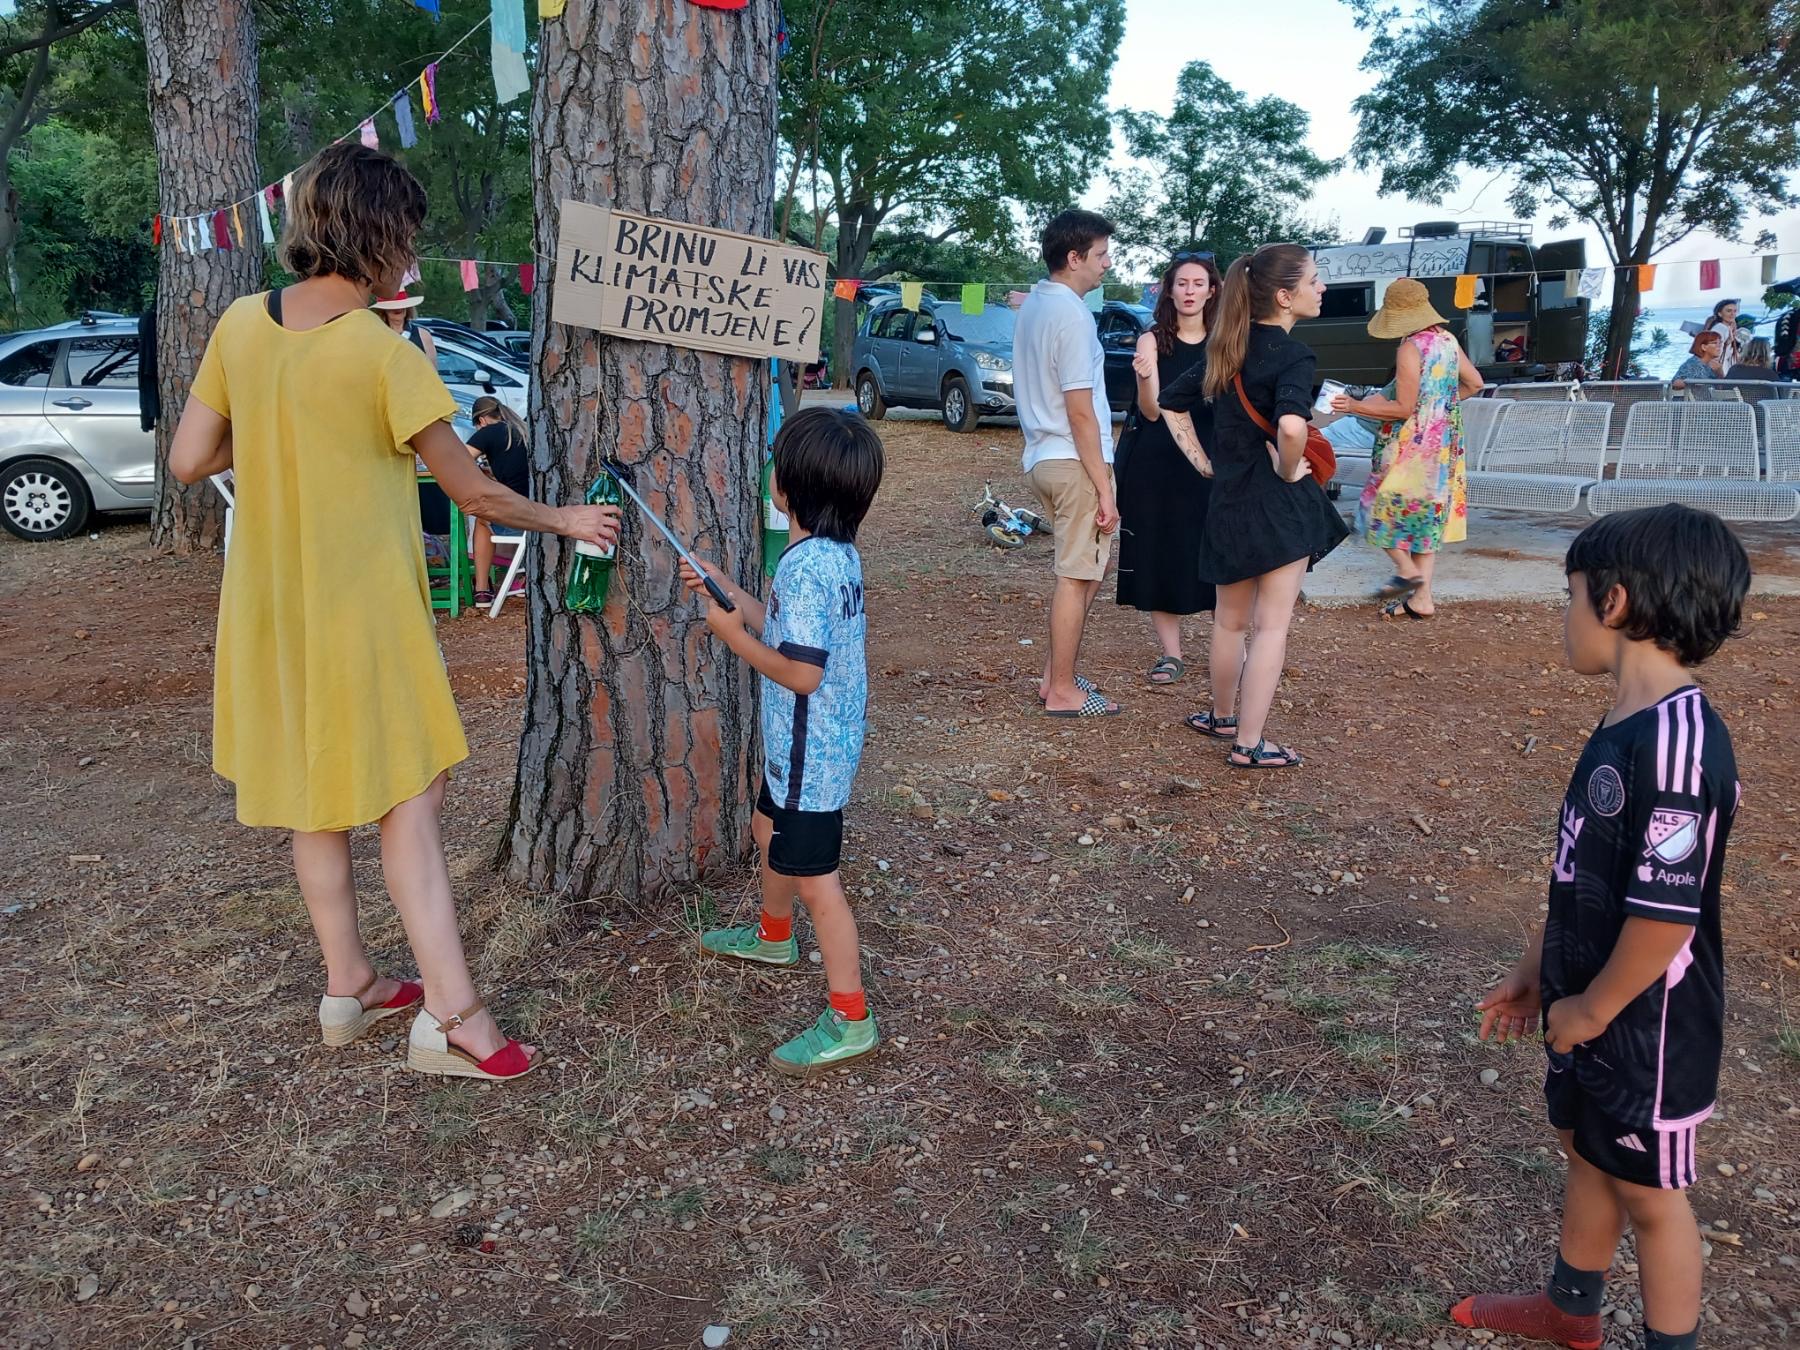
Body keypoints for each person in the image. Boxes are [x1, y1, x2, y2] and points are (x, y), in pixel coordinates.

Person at [167, 142, 621, 1082]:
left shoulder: (241, 326)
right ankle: (455, 1017)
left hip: (269, 614)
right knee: (411, 799)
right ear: (377, 238)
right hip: (363, 614)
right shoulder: (379, 353)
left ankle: (350, 987)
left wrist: (281, 425)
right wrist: (566, 516)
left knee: (313, 801)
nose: (410, 260)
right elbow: (478, 496)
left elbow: (187, 461)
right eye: (406, 240)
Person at [1454, 503, 1750, 1350]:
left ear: (1612, 602)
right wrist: (1535, 969)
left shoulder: (1683, 745)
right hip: (1586, 993)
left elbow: (1663, 918)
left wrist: (1591, 1010)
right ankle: (1568, 1310)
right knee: (1587, 1147)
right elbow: (1583, 871)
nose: (1566, 615)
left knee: (1652, 1199)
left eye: (1569, 594)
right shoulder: (1623, 722)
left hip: (1648, 1021)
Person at [678, 408, 886, 1077]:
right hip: (807, 749)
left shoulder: (804, 569)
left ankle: (850, 1017)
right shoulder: (831, 556)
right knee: (766, 828)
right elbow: (797, 635)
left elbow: (801, 670)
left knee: (816, 882)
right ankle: (773, 937)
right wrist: (732, 591)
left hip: (810, 759)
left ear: (788, 489)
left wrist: (730, 635)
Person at [1160, 242, 1347, 766]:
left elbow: (1169, 404)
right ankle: (1249, 744)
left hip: (1228, 502)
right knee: (1272, 627)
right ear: (1285, 297)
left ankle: (1221, 718)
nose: (1322, 288)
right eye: (1314, 280)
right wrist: (1290, 469)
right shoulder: (1292, 353)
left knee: (1228, 621)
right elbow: (1291, 425)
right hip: (1277, 509)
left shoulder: (1226, 347)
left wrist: (1202, 462)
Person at [1015, 208, 1121, 718]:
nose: (1107, 264)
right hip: (1074, 459)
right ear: (1074, 257)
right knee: (1077, 577)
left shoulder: (1036, 305)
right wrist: (1104, 485)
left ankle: (1056, 673)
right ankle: (1060, 688)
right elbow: (1080, 410)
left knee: (1084, 573)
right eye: (1100, 255)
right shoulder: (1073, 316)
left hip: (1042, 456)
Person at [1333, 278, 1484, 619]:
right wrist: (1439, 407)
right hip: (1442, 448)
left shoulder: (1410, 348)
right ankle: (1422, 600)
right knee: (1423, 522)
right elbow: (1475, 384)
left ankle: (1408, 574)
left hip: (1409, 448)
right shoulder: (1447, 340)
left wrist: (1353, 406)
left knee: (1373, 509)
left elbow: (1402, 408)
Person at [1114, 250, 1220, 685]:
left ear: (1212, 290)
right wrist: (1143, 376)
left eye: (1198, 284)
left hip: (1213, 458)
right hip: (1159, 462)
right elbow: (1153, 412)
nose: (1189, 291)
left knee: (1216, 551)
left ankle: (1233, 647)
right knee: (1160, 549)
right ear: (1169, 290)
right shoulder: (1151, 340)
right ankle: (1171, 654)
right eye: (1182, 283)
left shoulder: (1226, 340)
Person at [466, 395, 530, 607]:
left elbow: (460, 461)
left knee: (482, 520)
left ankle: (482, 589)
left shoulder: (488, 432)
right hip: (539, 517)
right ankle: (524, 575)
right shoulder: (522, 430)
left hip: (517, 519)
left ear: (482, 421)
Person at [374, 288, 437, 362]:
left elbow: (432, 371)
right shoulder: (377, 337)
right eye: (392, 306)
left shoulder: (423, 336)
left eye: (401, 305)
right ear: (384, 310)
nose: (398, 309)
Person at [1699, 298, 1741, 370]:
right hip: (1720, 370)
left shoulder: (1726, 328)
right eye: (1729, 311)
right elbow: (1715, 354)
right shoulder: (1721, 328)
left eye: (1735, 311)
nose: (1732, 314)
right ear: (1720, 314)